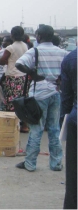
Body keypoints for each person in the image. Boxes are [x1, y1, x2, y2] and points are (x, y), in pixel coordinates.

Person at [15, 25, 67, 172]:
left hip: (38, 94)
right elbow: (68, 69)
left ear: (38, 36)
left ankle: (30, 163)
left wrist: (32, 73)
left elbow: (19, 64)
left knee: (36, 128)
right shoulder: (62, 52)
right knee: (54, 129)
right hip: (56, 92)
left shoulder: (35, 51)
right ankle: (56, 163)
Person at [0, 27, 29, 133]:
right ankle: (25, 125)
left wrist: (8, 61)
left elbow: (2, 61)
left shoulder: (10, 48)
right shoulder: (25, 46)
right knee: (22, 100)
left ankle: (12, 126)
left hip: (12, 76)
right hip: (23, 77)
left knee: (11, 102)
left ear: (12, 35)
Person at [60, 49, 77, 209]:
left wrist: (62, 123)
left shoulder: (71, 58)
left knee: (74, 173)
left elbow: (66, 97)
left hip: (75, 119)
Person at [0, 36, 13, 111]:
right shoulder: (15, 51)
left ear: (9, 43)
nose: (2, 43)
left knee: (1, 99)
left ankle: (1, 113)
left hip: (1, 78)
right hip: (12, 78)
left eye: (4, 41)